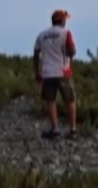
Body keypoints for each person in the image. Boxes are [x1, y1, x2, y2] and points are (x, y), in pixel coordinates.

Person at [33, 8, 78, 139]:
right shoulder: (66, 33)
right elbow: (72, 51)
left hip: (47, 73)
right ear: (62, 20)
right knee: (70, 100)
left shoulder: (41, 35)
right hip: (63, 71)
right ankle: (73, 129)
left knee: (50, 101)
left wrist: (37, 72)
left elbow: (36, 55)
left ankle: (55, 129)